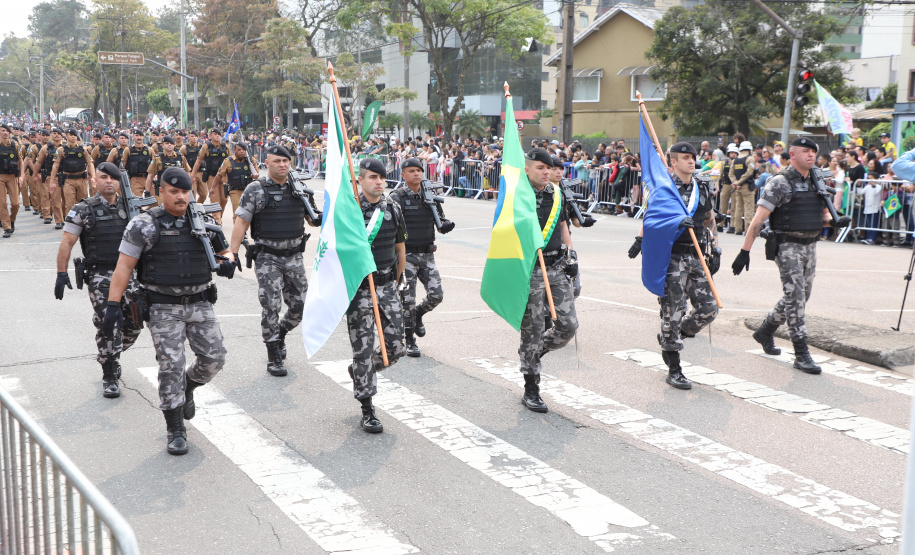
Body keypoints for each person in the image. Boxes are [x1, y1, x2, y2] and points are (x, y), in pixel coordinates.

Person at [105, 166, 236, 455]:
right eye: (174, 191)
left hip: (200, 301)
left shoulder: (203, 220)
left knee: (214, 359)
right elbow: (124, 266)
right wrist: (113, 306)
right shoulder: (143, 225)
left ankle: (188, 386)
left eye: (185, 191)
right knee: (170, 366)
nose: (180, 197)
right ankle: (175, 427)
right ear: (160, 192)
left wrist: (228, 262)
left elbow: (226, 252)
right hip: (163, 306)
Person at [732, 137, 849, 374]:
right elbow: (758, 219)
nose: (811, 155)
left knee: (800, 296)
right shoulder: (779, 182)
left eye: (813, 152)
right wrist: (745, 251)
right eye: (805, 151)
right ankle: (801, 353)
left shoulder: (817, 181)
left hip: (810, 245)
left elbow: (819, 216)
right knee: (795, 296)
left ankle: (766, 329)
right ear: (792, 155)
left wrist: (835, 220)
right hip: (787, 246)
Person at [628, 142, 719, 390]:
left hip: (697, 256)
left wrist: (716, 247)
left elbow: (710, 219)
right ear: (673, 162)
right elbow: (652, 219)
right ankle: (674, 367)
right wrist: (642, 238)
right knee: (673, 310)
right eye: (686, 158)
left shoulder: (701, 187)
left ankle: (673, 335)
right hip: (673, 257)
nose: (692, 161)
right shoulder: (665, 189)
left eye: (693, 157)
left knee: (710, 309)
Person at [54, 162, 143, 398]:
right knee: (109, 321)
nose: (109, 181)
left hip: (131, 275)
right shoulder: (83, 209)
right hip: (100, 275)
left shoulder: (132, 208)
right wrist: (61, 273)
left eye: (113, 178)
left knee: (135, 323)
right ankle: (109, 372)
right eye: (103, 177)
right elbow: (67, 242)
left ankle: (112, 354)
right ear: (95, 181)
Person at [229, 144, 318, 376]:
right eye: (277, 161)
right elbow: (241, 222)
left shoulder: (300, 189)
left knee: (300, 307)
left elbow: (314, 220)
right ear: (266, 163)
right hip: (268, 257)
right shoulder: (256, 189)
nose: (282, 165)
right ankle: (273, 355)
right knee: (271, 305)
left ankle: (281, 333)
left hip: (295, 257)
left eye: (285, 161)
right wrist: (232, 252)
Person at [346, 157, 407, 433]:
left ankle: (361, 371)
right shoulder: (349, 209)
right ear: (360, 179)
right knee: (364, 347)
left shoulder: (392, 206)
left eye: (382, 177)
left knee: (395, 347)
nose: (379, 181)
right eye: (372, 177)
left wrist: (395, 281)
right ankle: (367, 407)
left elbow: (400, 247)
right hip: (360, 288)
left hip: (386, 285)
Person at [517, 148, 579, 412]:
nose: (545, 172)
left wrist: (571, 255)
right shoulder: (517, 196)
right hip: (529, 269)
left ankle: (533, 353)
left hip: (554, 266)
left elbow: (563, 225)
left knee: (568, 326)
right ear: (528, 169)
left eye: (548, 168)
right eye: (540, 168)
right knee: (532, 330)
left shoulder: (556, 194)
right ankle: (531, 386)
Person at [388, 157, 455, 358]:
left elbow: (439, 221)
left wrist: (445, 225)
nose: (416, 173)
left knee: (437, 295)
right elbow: (391, 226)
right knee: (407, 300)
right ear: (403, 174)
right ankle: (409, 339)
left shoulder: (430, 196)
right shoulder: (396, 197)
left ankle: (418, 315)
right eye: (411, 170)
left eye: (419, 170)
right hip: (405, 256)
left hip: (427, 254)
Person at [49, 129, 95, 219]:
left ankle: (83, 222)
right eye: (71, 135)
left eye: (74, 135)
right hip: (68, 180)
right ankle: (70, 223)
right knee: (69, 205)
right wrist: (52, 181)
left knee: (83, 203)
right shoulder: (61, 150)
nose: (73, 137)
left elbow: (90, 163)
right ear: (66, 136)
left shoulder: (83, 150)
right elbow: (56, 165)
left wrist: (93, 177)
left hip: (81, 179)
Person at [191, 129, 229, 223]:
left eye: (218, 134)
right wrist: (192, 174)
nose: (217, 136)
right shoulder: (206, 147)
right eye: (214, 134)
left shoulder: (225, 147)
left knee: (224, 199)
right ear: (210, 135)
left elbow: (231, 161)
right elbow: (199, 160)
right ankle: (217, 221)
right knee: (215, 199)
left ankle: (219, 217)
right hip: (212, 176)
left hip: (224, 176)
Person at [215, 142, 258, 222]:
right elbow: (219, 175)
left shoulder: (251, 160)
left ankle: (243, 231)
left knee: (249, 213)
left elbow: (256, 174)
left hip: (249, 190)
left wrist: (254, 175)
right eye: (239, 149)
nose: (241, 151)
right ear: (234, 150)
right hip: (235, 190)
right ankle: (239, 232)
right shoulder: (228, 161)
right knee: (237, 212)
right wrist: (212, 188)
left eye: (243, 150)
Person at [145, 135, 192, 205]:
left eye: (171, 143)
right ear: (162, 145)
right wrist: (147, 192)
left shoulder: (180, 157)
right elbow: (150, 175)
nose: (169, 145)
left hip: (178, 189)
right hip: (162, 190)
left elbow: (187, 173)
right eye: (167, 143)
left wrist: (189, 188)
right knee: (163, 210)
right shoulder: (157, 158)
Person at [0, 124, 23, 238]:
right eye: (2, 131)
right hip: (0, 176)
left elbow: (21, 160)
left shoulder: (15, 144)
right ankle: (7, 228)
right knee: (2, 203)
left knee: (16, 203)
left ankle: (11, 220)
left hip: (12, 176)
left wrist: (22, 176)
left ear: (10, 133)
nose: (5, 133)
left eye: (7, 131)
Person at [728, 141, 755, 235]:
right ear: (750, 149)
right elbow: (749, 172)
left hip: (737, 188)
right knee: (749, 208)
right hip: (746, 187)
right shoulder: (750, 159)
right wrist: (739, 182)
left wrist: (735, 182)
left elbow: (730, 173)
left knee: (738, 208)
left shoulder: (735, 159)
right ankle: (748, 230)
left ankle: (738, 228)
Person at [117, 130, 153, 197]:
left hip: (149, 178)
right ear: (133, 137)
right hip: (135, 179)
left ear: (143, 137)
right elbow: (123, 166)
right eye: (137, 135)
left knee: (155, 201)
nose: (139, 137)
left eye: (141, 136)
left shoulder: (149, 150)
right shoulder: (128, 150)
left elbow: (155, 163)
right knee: (136, 201)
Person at [180, 130, 206, 203]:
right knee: (192, 195)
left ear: (198, 137)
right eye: (192, 136)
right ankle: (192, 210)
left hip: (201, 173)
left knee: (204, 194)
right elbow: (181, 160)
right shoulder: (184, 148)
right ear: (188, 137)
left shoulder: (202, 147)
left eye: (195, 136)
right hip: (190, 173)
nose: (194, 138)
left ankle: (197, 207)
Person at [719, 144, 738, 231]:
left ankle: (732, 225)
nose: (733, 154)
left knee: (734, 206)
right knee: (723, 205)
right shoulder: (725, 162)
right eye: (731, 153)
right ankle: (721, 224)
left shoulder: (738, 162)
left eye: (735, 153)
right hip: (726, 184)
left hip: (735, 185)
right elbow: (721, 174)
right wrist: (719, 185)